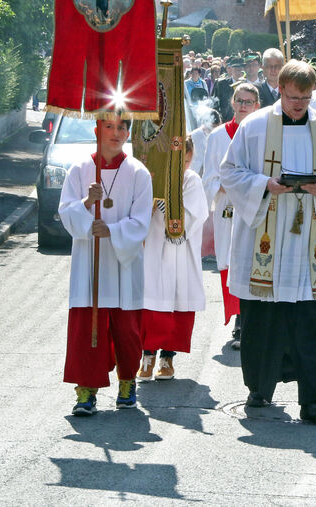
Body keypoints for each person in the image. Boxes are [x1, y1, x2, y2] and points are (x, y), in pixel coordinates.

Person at [219, 60, 316, 421]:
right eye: (293, 97)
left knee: (311, 318)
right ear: (279, 90)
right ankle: (259, 389)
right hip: (264, 238)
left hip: (309, 240)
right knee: (262, 318)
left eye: (305, 98)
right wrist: (264, 185)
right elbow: (229, 171)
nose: (299, 105)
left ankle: (314, 399)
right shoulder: (254, 126)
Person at [58, 118, 153, 416]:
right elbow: (65, 212)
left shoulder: (138, 172)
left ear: (128, 133)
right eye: (109, 127)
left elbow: (142, 221)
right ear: (97, 130)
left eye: (122, 128)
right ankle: (86, 390)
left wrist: (111, 230)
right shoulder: (79, 169)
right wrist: (87, 202)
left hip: (124, 263)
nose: (116, 133)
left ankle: (127, 382)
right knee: (88, 327)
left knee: (127, 329)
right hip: (90, 262)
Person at [137, 137, 209, 382]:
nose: (184, 166)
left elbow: (192, 215)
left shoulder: (191, 180)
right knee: (150, 303)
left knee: (176, 301)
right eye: (180, 162)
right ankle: (147, 355)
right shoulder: (151, 176)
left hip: (179, 251)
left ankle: (167, 358)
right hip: (153, 247)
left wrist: (162, 204)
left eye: (187, 162)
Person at [202, 83, 261, 349]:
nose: (243, 106)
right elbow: (208, 177)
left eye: (249, 102)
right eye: (240, 101)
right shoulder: (217, 136)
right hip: (227, 208)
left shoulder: (262, 133)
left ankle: (249, 319)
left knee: (252, 261)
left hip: (254, 207)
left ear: (257, 106)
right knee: (229, 260)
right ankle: (238, 319)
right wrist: (224, 185)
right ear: (232, 102)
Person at [189, 107, 220, 178]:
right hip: (194, 171)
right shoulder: (195, 135)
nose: (213, 130)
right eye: (212, 127)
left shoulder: (215, 135)